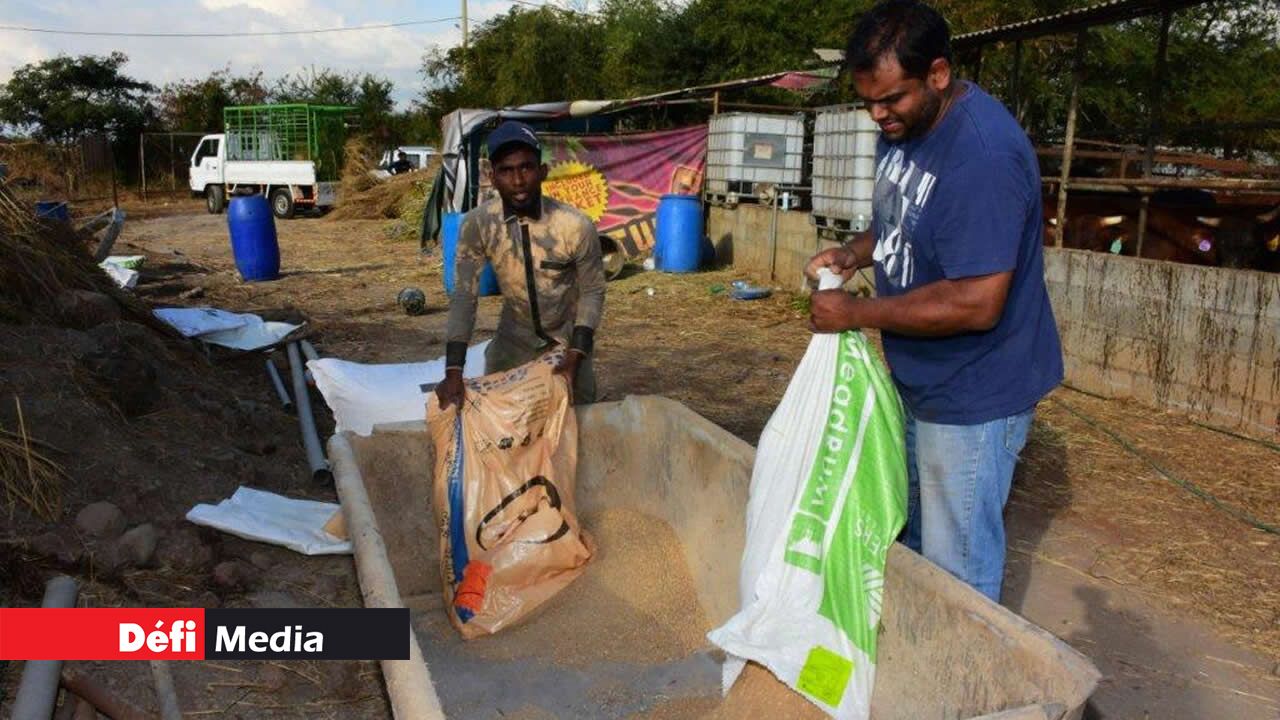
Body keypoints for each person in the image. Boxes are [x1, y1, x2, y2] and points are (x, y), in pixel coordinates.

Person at [804, 0, 1063, 602]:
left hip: (975, 392)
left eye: (890, 99)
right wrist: (853, 254)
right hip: (922, 378)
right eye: (868, 100)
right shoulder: (906, 128)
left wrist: (857, 314)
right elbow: (902, 220)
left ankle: (968, 692)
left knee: (958, 568)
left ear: (939, 74)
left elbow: (977, 303)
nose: (877, 115)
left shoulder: (982, 157)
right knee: (917, 538)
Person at [435, 121, 606, 409]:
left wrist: (576, 354)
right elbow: (464, 297)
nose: (517, 181)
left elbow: (592, 291)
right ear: (492, 175)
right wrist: (454, 371)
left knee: (577, 422)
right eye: (506, 170)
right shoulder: (478, 224)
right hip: (512, 344)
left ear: (542, 172)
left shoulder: (574, 226)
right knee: (502, 423)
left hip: (566, 344)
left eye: (526, 168)